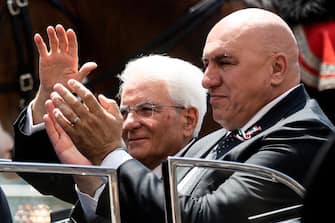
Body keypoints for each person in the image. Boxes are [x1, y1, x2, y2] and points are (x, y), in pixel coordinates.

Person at [14, 8, 335, 222]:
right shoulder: (215, 140)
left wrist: (109, 153)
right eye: (206, 64)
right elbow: (149, 204)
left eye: (224, 62)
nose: (207, 80)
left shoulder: (303, 132)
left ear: (276, 68)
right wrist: (89, 174)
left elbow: (205, 218)